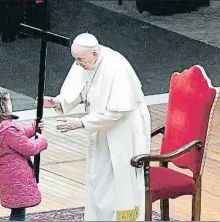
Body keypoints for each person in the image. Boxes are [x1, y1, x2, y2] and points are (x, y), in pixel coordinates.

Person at [42, 33, 151, 221]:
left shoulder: (116, 67)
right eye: (75, 59)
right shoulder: (87, 61)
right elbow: (81, 90)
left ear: (94, 53)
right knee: (98, 177)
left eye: (80, 59)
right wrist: (57, 102)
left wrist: (82, 122)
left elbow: (118, 111)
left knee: (118, 179)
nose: (77, 64)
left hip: (123, 130)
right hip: (101, 127)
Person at [0, 87, 48, 221]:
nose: (11, 105)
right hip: (18, 175)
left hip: (4, 174)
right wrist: (42, 141)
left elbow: (17, 136)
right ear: (2, 108)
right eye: (9, 102)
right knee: (18, 214)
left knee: (16, 210)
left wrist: (34, 127)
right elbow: (28, 148)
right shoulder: (9, 130)